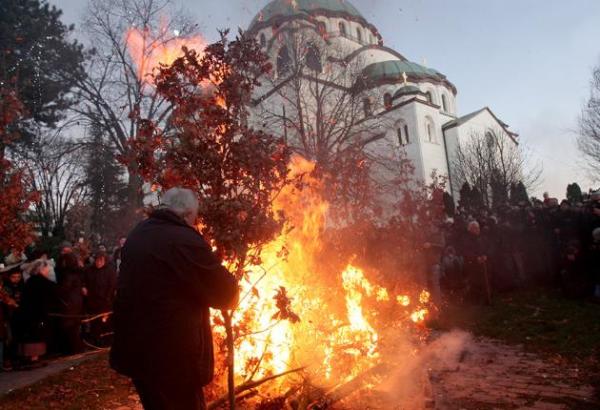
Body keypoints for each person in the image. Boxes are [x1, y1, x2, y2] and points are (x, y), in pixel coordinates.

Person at [110, 188, 238, 410]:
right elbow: (225, 293)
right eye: (194, 218)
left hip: (136, 352)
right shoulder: (183, 239)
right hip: (172, 357)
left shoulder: (138, 233)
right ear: (188, 214)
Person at [17, 260, 57, 367]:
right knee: (36, 335)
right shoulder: (42, 282)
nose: (49, 270)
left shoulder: (30, 281)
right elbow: (53, 291)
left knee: (30, 335)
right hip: (37, 314)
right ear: (41, 269)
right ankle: (34, 359)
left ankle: (28, 357)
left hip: (27, 314)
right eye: (47, 268)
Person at [83, 251, 117, 346]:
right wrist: (84, 287)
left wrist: (107, 298)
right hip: (93, 301)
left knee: (105, 321)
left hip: (105, 302)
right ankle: (95, 339)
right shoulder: (89, 270)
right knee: (94, 322)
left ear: (105, 261)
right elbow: (84, 281)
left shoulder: (110, 271)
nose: (99, 263)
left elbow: (112, 285)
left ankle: (106, 340)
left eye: (101, 261)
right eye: (97, 261)